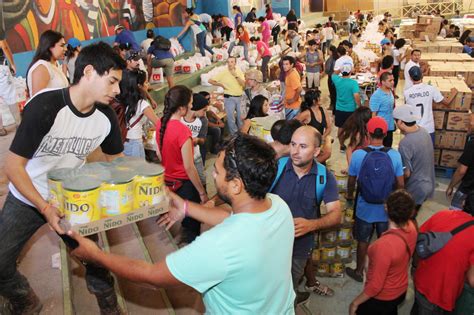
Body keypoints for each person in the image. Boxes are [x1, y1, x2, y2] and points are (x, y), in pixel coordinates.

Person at [68, 133, 296, 314]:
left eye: (216, 171)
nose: (213, 176)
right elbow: (235, 221)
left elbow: (152, 276)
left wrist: (96, 255)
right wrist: (186, 207)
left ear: (236, 185)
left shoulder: (218, 245)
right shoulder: (278, 206)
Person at [0, 42, 127, 314]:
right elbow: (13, 167)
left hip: (73, 196)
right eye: (113, 81)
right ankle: (25, 301)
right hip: (28, 195)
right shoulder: (45, 106)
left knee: (95, 261)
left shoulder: (106, 117)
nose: (117, 90)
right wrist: (44, 207)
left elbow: (118, 163)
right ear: (90, 72)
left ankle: (111, 308)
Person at [271, 125, 341, 304]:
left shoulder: (324, 177)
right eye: (293, 144)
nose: (295, 151)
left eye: (303, 146)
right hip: (269, 243)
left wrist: (312, 225)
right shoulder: (275, 168)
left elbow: (335, 214)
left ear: (317, 151)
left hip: (300, 248)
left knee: (290, 283)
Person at [345, 117, 405, 283]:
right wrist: (395, 205)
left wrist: (350, 196)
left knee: (363, 240)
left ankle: (358, 271)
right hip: (386, 208)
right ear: (385, 134)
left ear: (368, 133)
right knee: (385, 241)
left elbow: (351, 180)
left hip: (365, 205)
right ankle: (382, 272)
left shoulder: (358, 155)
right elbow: (400, 183)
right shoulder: (394, 155)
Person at [349, 190, 417, 315]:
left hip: (383, 297)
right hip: (401, 289)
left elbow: (375, 285)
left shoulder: (384, 246)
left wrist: (355, 303)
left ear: (385, 207)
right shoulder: (412, 228)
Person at [156, 85, 208, 244]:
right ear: (181, 108)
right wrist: (201, 192)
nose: (192, 106)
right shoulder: (183, 131)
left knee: (179, 214)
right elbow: (189, 167)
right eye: (190, 103)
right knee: (192, 222)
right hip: (185, 184)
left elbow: (159, 154)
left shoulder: (160, 124)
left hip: (168, 181)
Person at [411, 210, 474, 315]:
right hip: (444, 292)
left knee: (417, 308)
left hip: (422, 280)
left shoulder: (443, 214)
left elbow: (418, 238)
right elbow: (472, 279)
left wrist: (414, 266)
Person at [393, 105, 435, 218]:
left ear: (401, 122)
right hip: (428, 184)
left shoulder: (405, 143)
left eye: (396, 121)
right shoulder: (424, 132)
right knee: (413, 216)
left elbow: (406, 173)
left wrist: (397, 188)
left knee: (405, 219)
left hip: (416, 188)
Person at [404, 66, 457, 143]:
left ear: (410, 78)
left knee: (416, 153)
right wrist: (454, 92)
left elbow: (407, 110)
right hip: (428, 128)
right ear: (422, 76)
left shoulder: (407, 93)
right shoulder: (431, 89)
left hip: (414, 128)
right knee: (428, 152)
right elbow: (447, 103)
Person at [118, 69, 159, 158]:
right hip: (134, 143)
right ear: (140, 86)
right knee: (137, 170)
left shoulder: (124, 99)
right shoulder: (142, 104)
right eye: (146, 82)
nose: (148, 85)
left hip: (125, 141)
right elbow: (158, 123)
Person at [209, 57, 245, 135]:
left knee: (240, 118)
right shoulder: (224, 72)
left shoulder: (238, 71)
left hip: (240, 97)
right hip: (229, 98)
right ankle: (234, 136)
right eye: (228, 62)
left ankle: (242, 135)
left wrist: (235, 76)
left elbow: (243, 84)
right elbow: (210, 81)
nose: (230, 64)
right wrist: (221, 84)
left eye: (232, 62)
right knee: (230, 118)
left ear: (235, 63)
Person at [26, 30, 69, 97]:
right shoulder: (41, 67)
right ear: (50, 47)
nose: (65, 49)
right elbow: (38, 100)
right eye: (62, 45)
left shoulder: (55, 64)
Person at [447, 115, 474, 214]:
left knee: (454, 215)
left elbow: (461, 171)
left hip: (467, 189)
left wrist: (451, 186)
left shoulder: (472, 144)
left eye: (470, 123)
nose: (468, 125)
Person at [181, 93, 209, 187]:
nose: (205, 113)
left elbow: (203, 140)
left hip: (196, 156)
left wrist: (197, 140)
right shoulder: (180, 118)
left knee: (201, 180)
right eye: (204, 110)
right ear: (196, 107)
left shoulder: (203, 120)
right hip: (181, 157)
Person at [332, 64, 361, 151]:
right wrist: (359, 105)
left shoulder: (337, 80)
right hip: (350, 109)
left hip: (339, 109)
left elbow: (333, 74)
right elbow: (356, 96)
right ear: (350, 72)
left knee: (340, 128)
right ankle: (352, 145)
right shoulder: (353, 83)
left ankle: (341, 145)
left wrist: (340, 69)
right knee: (353, 129)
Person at [370, 72, 395, 147]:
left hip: (390, 126)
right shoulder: (377, 95)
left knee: (388, 147)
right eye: (390, 80)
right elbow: (373, 114)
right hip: (381, 129)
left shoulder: (390, 91)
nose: (393, 82)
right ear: (383, 82)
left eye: (393, 80)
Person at [0, 37, 19, 136]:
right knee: (10, 97)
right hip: (1, 69)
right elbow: (4, 47)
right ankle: (19, 124)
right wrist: (12, 64)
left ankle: (0, 129)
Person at [282, 56, 303, 120]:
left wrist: (293, 100)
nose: (284, 66)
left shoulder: (292, 75)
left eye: (287, 64)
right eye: (283, 64)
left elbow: (299, 89)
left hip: (293, 107)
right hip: (290, 105)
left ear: (292, 65)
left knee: (291, 126)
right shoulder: (290, 72)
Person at [325, 45, 338, 111]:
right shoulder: (337, 58)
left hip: (331, 77)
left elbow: (327, 69)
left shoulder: (330, 59)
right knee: (335, 92)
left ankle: (332, 105)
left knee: (332, 92)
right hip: (337, 77)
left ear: (331, 51)